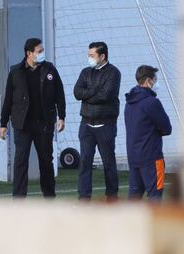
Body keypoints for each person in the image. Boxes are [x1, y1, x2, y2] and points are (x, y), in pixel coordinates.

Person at [0, 38, 66, 198]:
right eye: (39, 51)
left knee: (46, 160)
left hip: (44, 123)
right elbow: (8, 99)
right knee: (21, 160)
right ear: (29, 53)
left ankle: (49, 196)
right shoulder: (15, 72)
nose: (42, 53)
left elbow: (60, 94)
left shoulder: (49, 70)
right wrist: (3, 123)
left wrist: (61, 117)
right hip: (22, 124)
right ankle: (19, 198)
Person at [74, 41, 121, 201]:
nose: (89, 58)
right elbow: (77, 92)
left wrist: (88, 94)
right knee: (85, 162)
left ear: (102, 56)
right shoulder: (85, 72)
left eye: (92, 56)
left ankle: (112, 196)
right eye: (89, 55)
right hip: (86, 124)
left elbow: (106, 95)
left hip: (105, 125)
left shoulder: (113, 73)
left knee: (109, 162)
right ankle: (84, 197)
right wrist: (94, 91)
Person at [124, 65, 172, 201]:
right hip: (151, 157)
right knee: (155, 196)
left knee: (134, 197)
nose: (156, 83)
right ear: (148, 81)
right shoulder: (152, 103)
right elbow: (167, 128)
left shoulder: (129, 102)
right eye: (155, 79)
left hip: (133, 156)